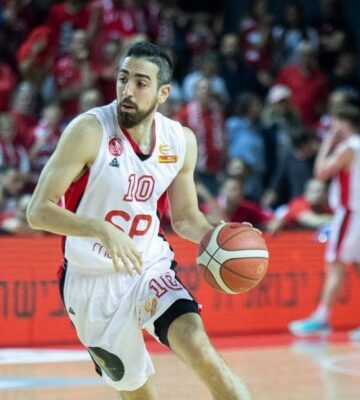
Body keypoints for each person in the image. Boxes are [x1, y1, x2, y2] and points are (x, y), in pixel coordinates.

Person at [26, 42, 252, 399]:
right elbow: (37, 211)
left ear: (163, 93)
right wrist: (98, 228)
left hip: (149, 266)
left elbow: (185, 217)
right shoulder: (89, 131)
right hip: (92, 282)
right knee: (139, 395)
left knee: (201, 349)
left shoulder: (180, 141)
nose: (127, 91)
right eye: (122, 79)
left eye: (141, 83)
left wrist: (218, 236)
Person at [288, 104, 360, 341]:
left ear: (342, 123)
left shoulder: (348, 147)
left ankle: (321, 319)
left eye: (335, 122)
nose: (332, 126)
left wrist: (328, 143)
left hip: (350, 213)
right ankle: (321, 318)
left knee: (336, 265)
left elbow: (320, 172)